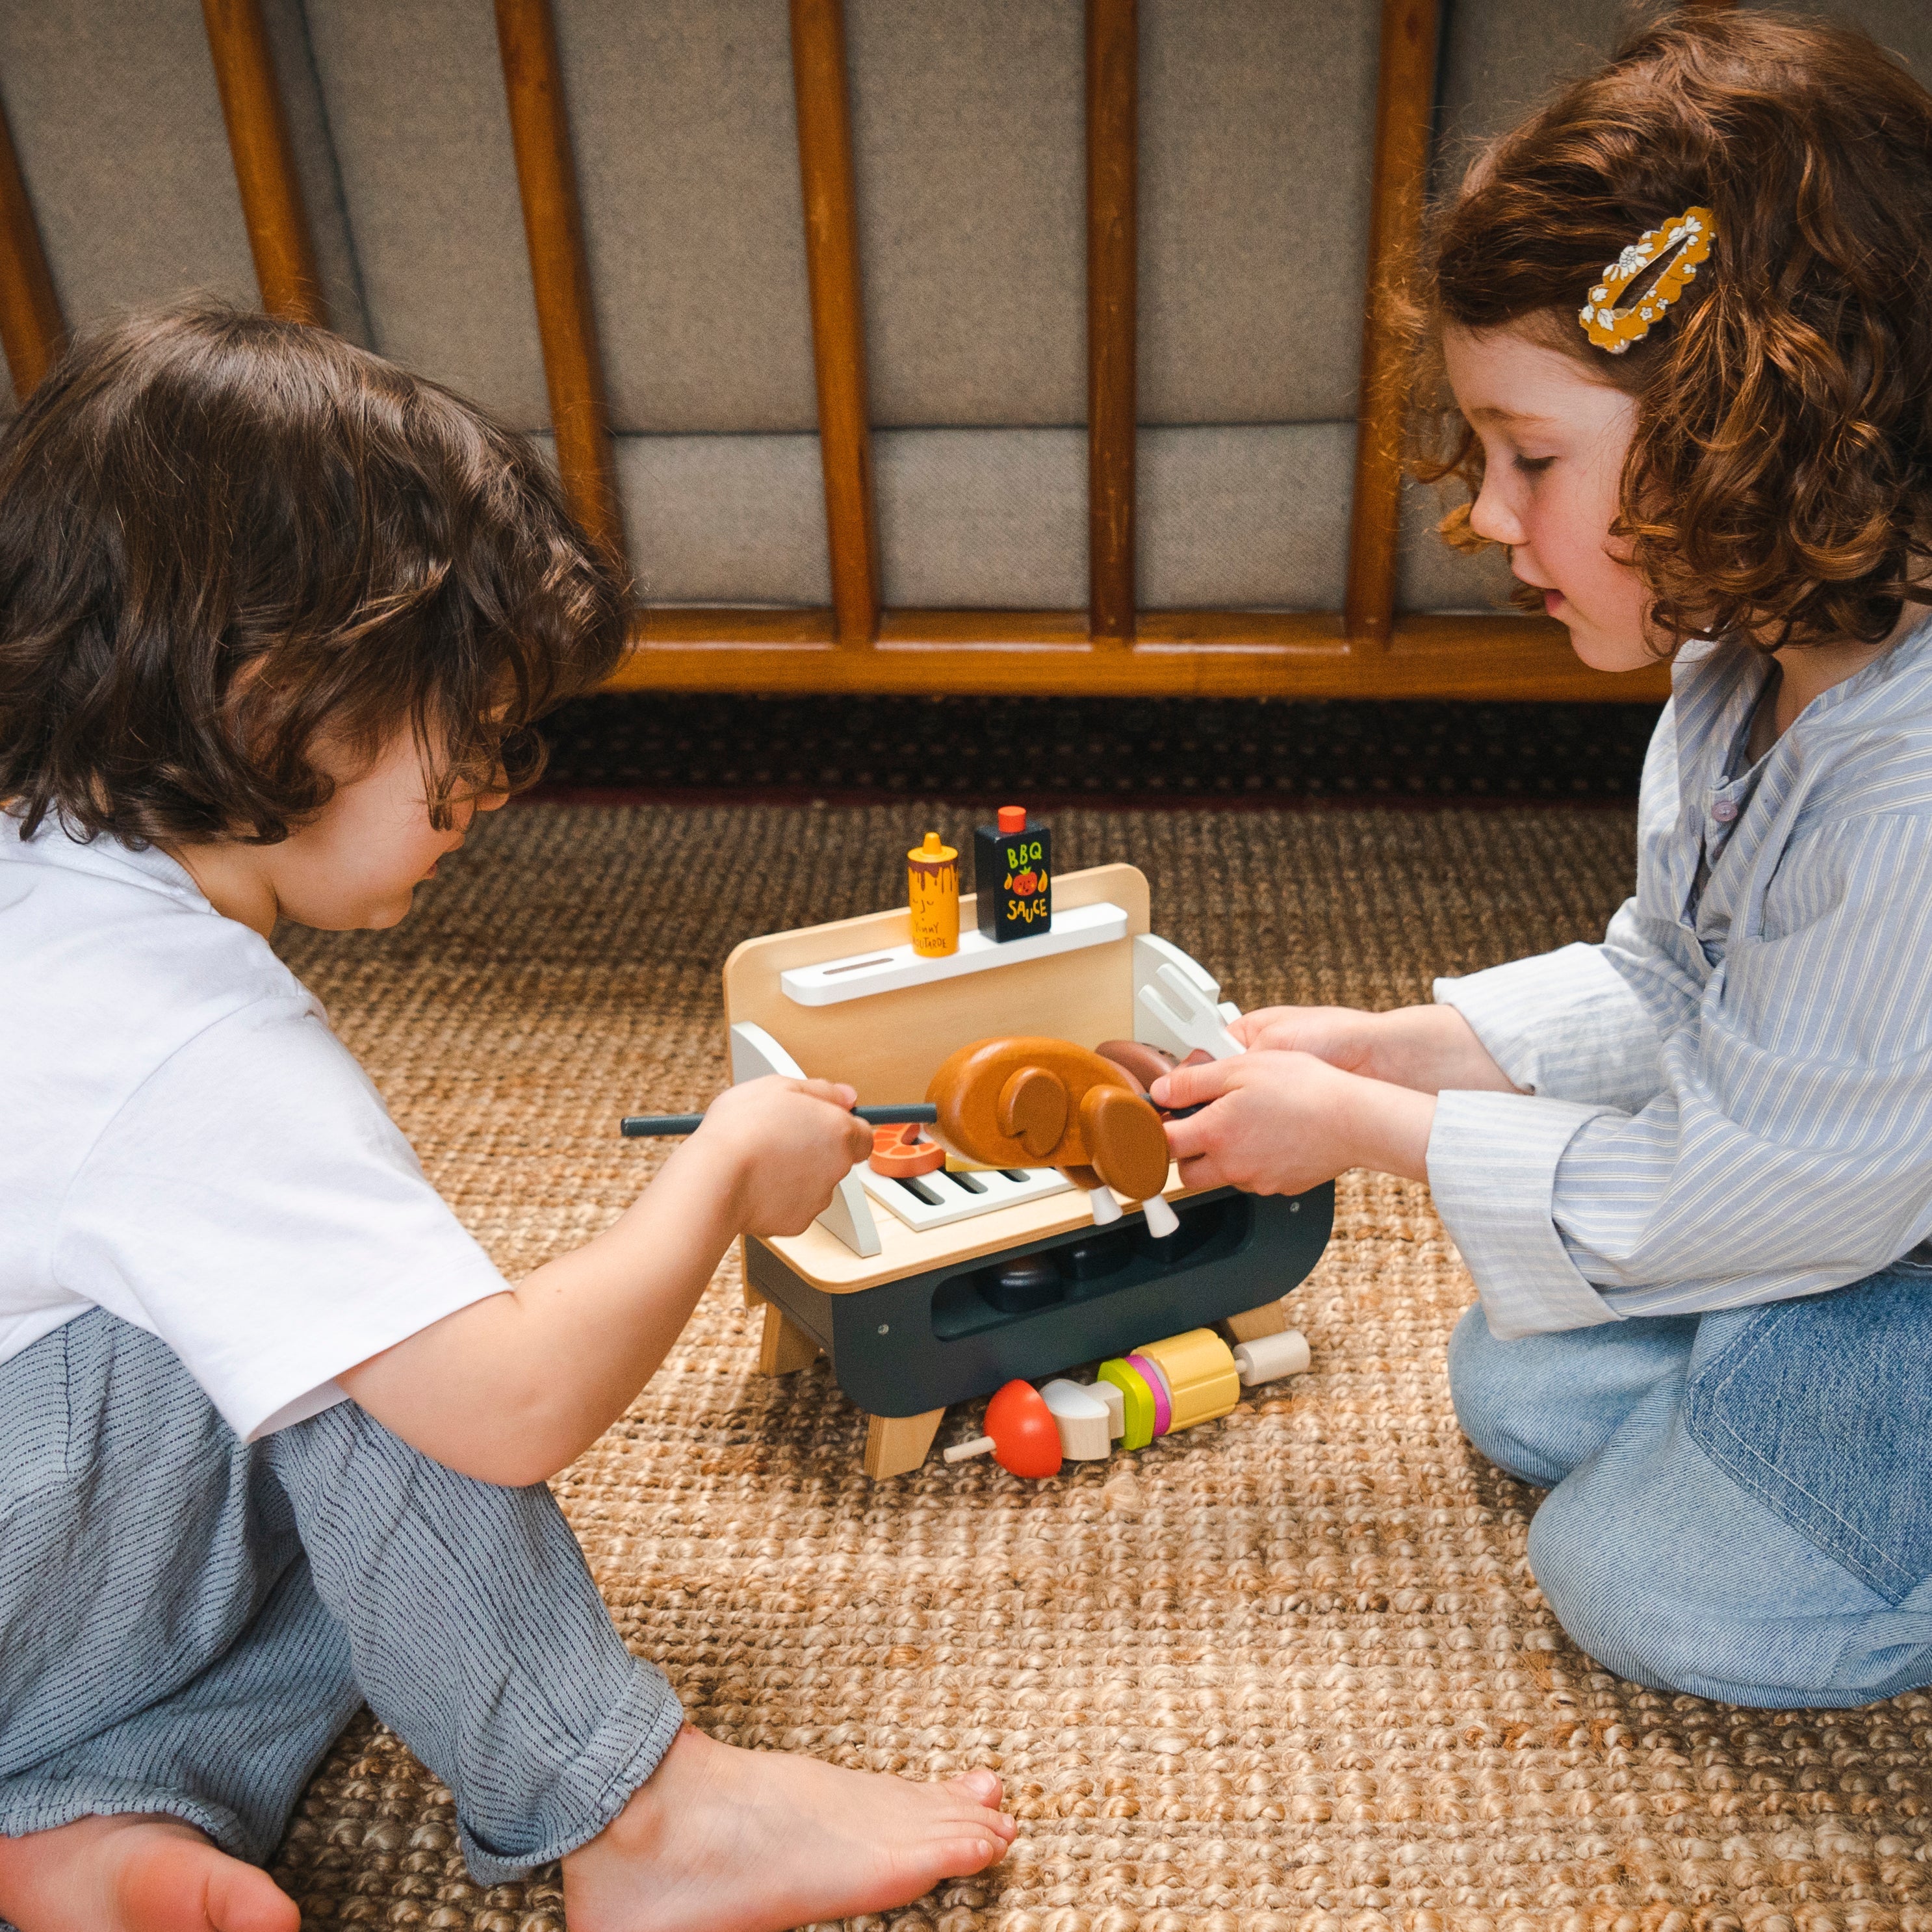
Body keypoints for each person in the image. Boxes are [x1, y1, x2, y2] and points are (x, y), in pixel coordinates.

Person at [0, 305, 1013, 1932]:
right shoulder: (180, 1039)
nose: (492, 780)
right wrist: (714, 1180)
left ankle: (75, 1806)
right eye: (462, 728)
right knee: (379, 1370)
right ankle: (636, 1814)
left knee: (305, 1413)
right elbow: (507, 1404)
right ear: (276, 701)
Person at [1155, 10, 1932, 1707]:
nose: (1487, 520)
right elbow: (1674, 982)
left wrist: (1367, 1127)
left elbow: (1774, 1184)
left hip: (1874, 1225)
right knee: (1519, 1381)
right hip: (1842, 1188)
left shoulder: (1908, 797)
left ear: (1745, 418)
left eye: (1528, 457)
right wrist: (1395, 1045)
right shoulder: (1740, 674)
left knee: (1644, 1582)